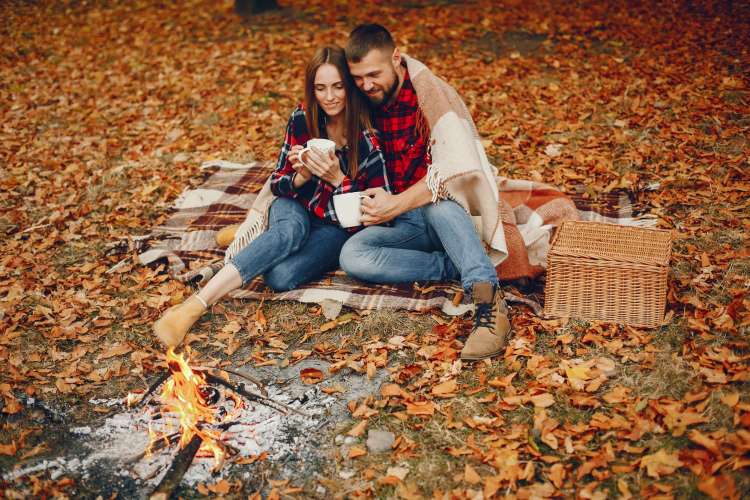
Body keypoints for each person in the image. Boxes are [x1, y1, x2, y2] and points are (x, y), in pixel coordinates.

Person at [154, 45, 389, 348]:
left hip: (335, 227)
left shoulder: (367, 136)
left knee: (279, 277)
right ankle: (195, 305)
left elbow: (371, 213)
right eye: (320, 88)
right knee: (290, 230)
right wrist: (302, 175)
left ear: (350, 87)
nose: (329, 97)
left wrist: (337, 180)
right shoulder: (303, 119)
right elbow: (278, 184)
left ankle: (256, 238)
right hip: (295, 207)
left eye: (337, 87)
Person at [339, 24, 510, 361]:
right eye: (358, 77)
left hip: (446, 214)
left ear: (397, 58)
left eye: (373, 74)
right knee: (352, 256)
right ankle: (453, 265)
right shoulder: (361, 101)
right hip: (403, 223)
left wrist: (396, 204)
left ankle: (489, 303)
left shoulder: (430, 94)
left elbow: (453, 170)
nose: (366, 84)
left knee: (439, 206)